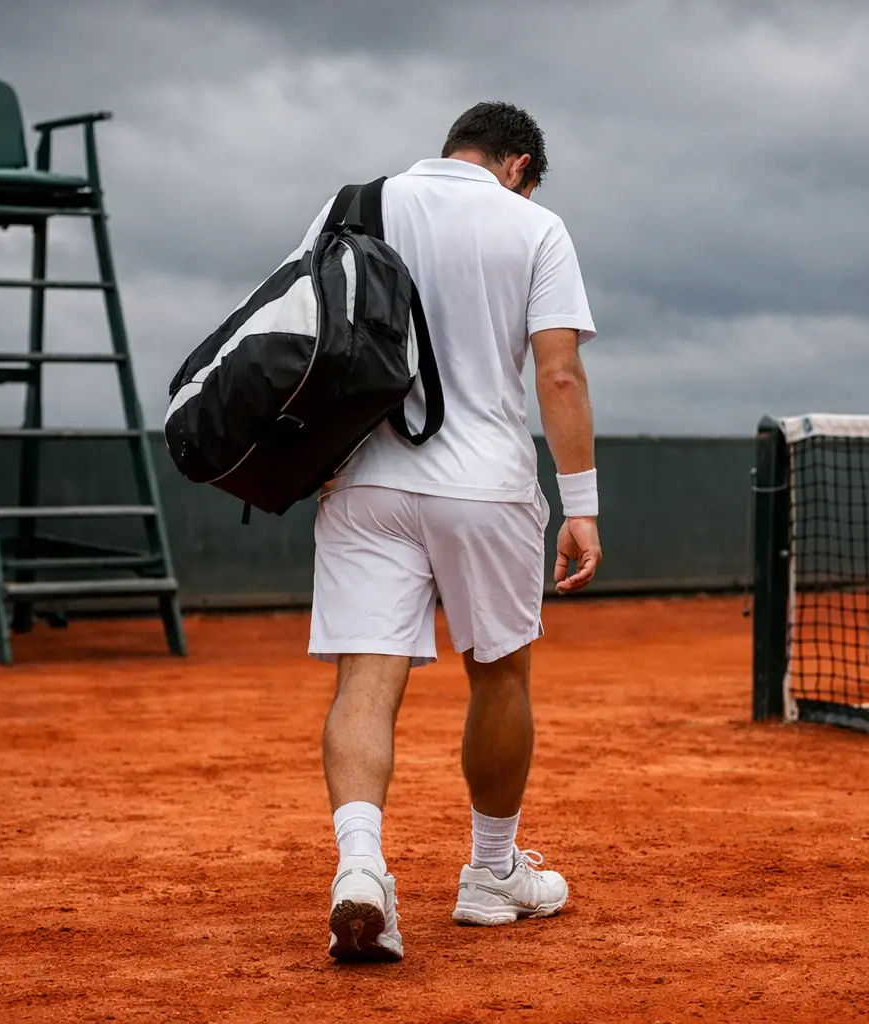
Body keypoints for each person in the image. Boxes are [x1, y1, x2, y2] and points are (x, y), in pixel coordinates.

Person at [296, 101, 601, 963]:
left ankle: (360, 869)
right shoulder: (535, 226)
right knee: (500, 678)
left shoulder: (351, 205)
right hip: (485, 487)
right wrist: (581, 505)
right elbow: (559, 375)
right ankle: (492, 873)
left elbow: (299, 336)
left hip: (364, 481)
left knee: (365, 679)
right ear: (518, 165)